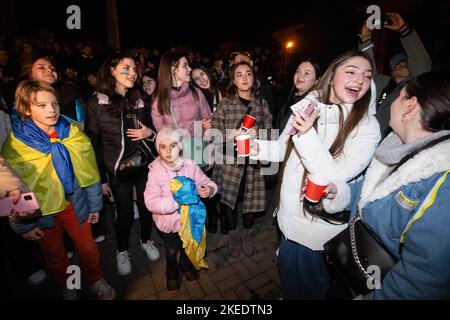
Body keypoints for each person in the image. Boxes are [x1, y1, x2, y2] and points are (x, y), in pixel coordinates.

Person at [249, 51, 381, 299]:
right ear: (332, 77)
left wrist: (306, 135)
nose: (360, 80)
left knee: (312, 291)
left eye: (367, 76)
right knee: (290, 286)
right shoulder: (309, 105)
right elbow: (281, 148)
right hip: (287, 222)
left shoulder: (367, 127)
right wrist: (256, 147)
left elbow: (332, 175)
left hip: (317, 231)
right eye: (351, 71)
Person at [323, 72, 450, 299]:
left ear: (410, 105)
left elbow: (417, 285)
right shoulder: (396, 147)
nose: (393, 102)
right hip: (356, 267)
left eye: (400, 95)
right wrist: (343, 193)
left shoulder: (442, 183)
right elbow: (374, 193)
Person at [2, 80, 116, 300]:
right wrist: (23, 226)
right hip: (43, 210)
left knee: (88, 249)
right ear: (26, 109)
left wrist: (95, 205)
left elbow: (89, 170)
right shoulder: (15, 144)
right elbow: (10, 187)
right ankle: (70, 283)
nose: (52, 110)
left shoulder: (71, 130)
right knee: (54, 253)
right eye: (42, 105)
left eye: (54, 103)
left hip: (76, 202)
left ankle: (96, 280)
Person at [86, 51, 160, 276]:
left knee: (147, 208)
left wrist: (150, 132)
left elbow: (151, 129)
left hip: (144, 165)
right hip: (118, 170)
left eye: (133, 68)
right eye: (125, 68)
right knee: (125, 213)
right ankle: (121, 250)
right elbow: (93, 144)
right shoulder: (97, 102)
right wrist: (101, 180)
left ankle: (146, 240)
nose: (131, 72)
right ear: (112, 70)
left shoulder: (137, 97)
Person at [144, 126, 218, 292]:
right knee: (171, 251)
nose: (168, 151)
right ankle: (171, 272)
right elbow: (150, 200)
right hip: (169, 222)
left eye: (173, 145)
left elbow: (204, 180)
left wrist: (210, 189)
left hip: (189, 219)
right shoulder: (155, 172)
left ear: (180, 146)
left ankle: (185, 264)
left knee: (188, 246)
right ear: (158, 149)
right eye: (163, 147)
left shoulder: (190, 165)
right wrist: (176, 203)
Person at [211, 61, 273, 258]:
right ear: (234, 80)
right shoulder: (226, 103)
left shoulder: (262, 104)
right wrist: (231, 134)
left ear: (254, 79)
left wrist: (259, 133)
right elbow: (214, 133)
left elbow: (272, 133)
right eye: (239, 75)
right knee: (229, 202)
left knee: (251, 201)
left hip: (253, 164)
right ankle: (233, 234)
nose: (245, 78)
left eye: (248, 74)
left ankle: (247, 233)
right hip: (230, 162)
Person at [359, 12, 431, 138]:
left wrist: (403, 30)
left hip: (391, 141)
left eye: (405, 65)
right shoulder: (381, 82)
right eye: (397, 64)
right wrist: (365, 39)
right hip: (363, 137)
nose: (399, 65)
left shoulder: (413, 88)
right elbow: (367, 69)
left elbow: (422, 63)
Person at [151, 51, 212, 137]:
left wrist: (205, 126)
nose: (190, 69)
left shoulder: (196, 93)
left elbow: (208, 121)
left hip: (199, 147)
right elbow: (163, 136)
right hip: (177, 149)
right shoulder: (159, 101)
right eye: (185, 66)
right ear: (172, 70)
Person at [276, 59, 321, 131]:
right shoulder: (289, 99)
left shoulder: (312, 105)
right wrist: (258, 133)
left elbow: (290, 138)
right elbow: (280, 134)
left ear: (316, 81)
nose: (300, 75)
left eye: (306, 73)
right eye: (298, 71)